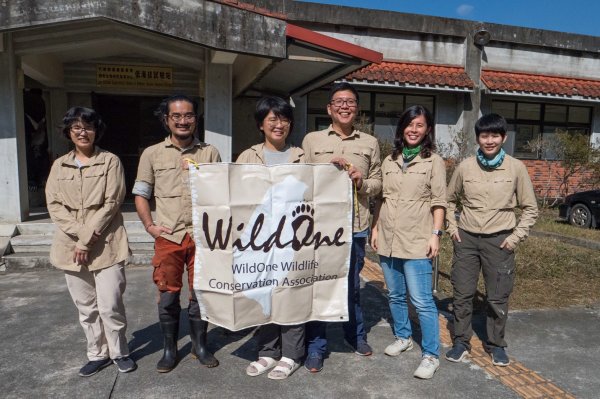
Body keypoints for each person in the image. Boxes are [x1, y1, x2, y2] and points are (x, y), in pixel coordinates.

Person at [133, 94, 221, 372]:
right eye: (177, 116)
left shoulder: (210, 152)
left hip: (202, 236)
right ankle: (170, 349)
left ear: (196, 118)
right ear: (167, 120)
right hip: (169, 236)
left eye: (189, 116)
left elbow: (222, 192)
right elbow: (141, 194)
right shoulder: (152, 153)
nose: (184, 121)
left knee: (201, 294)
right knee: (168, 295)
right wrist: (150, 226)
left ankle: (199, 346)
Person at [45, 107, 136, 377]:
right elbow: (54, 204)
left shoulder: (110, 161)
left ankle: (120, 352)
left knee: (110, 305)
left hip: (106, 244)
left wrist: (85, 241)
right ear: (69, 133)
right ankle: (97, 354)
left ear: (97, 131)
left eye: (88, 127)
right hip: (70, 247)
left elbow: (112, 203)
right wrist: (79, 237)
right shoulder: (59, 165)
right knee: (86, 308)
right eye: (76, 127)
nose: (82, 132)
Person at [445, 113, 539, 367]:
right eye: (484, 135)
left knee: (497, 297)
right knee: (462, 294)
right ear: (478, 138)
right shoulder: (465, 167)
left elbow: (530, 209)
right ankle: (461, 342)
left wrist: (515, 238)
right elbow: (448, 199)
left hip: (500, 242)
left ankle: (496, 344)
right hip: (466, 239)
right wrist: (453, 229)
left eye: (494, 135)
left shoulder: (516, 168)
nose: (489, 140)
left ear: (503, 137)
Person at [302, 82, 382, 372]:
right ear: (329, 109)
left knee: (351, 288)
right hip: (320, 228)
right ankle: (316, 347)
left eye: (350, 102)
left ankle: (355, 336)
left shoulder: (369, 142)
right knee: (319, 286)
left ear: (356, 108)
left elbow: (378, 183)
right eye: (339, 102)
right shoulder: (311, 140)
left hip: (354, 225)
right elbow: (302, 179)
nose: (345, 106)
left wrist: (361, 181)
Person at [370, 105, 446, 379]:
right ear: (403, 128)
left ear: (427, 130)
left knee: (422, 300)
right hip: (389, 238)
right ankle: (403, 337)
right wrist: (375, 228)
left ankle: (431, 354)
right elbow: (382, 199)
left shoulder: (433, 161)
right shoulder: (390, 160)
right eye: (410, 124)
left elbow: (439, 202)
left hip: (416, 240)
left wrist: (435, 235)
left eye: (420, 125)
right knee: (395, 294)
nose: (414, 130)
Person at [237, 96, 305, 380]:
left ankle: (291, 354)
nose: (280, 125)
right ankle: (267, 351)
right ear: (261, 125)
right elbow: (232, 196)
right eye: (273, 119)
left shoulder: (302, 156)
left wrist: (336, 170)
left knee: (291, 294)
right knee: (264, 293)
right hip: (260, 239)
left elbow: (317, 194)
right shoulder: (248, 156)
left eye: (285, 119)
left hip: (292, 239)